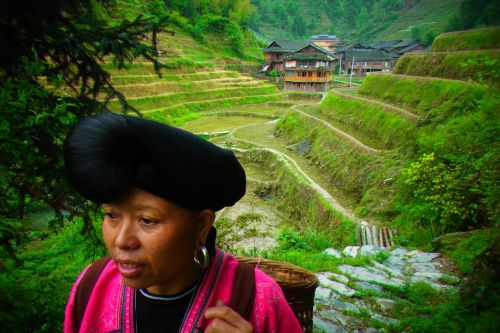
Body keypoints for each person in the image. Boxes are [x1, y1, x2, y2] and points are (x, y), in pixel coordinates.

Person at [63, 112, 302, 333]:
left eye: (147, 220)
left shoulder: (257, 300)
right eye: (111, 215)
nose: (122, 240)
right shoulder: (91, 287)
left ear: (201, 226)